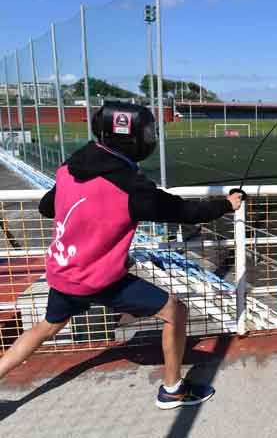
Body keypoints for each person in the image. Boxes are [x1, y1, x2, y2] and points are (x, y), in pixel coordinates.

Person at [0, 101, 245, 409]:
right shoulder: (130, 188)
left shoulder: (68, 169)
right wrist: (226, 204)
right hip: (99, 280)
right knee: (175, 312)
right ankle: (172, 390)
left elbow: (47, 207)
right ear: (135, 140)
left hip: (63, 273)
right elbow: (185, 211)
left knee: (45, 326)